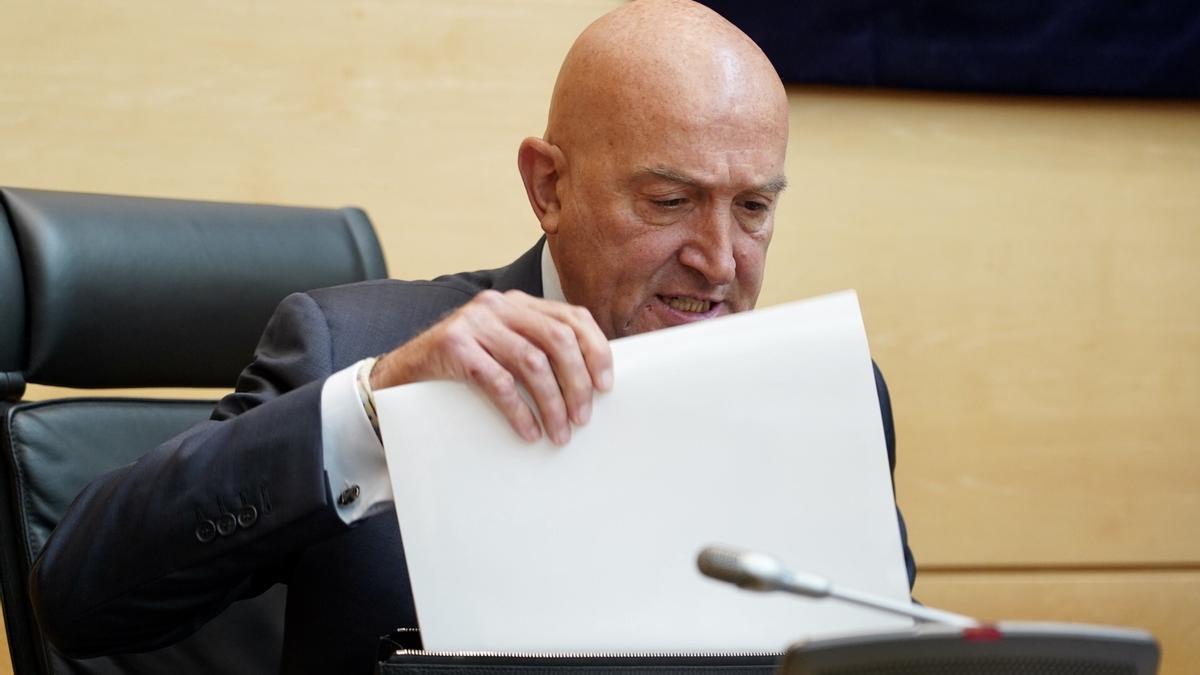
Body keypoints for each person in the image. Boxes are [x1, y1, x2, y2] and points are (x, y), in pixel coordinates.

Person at [31, 1, 915, 673]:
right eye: (671, 201)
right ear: (549, 187)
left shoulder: (825, 395)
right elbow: (80, 602)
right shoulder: (354, 348)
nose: (720, 260)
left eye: (755, 207)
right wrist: (371, 414)